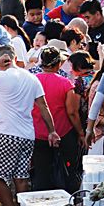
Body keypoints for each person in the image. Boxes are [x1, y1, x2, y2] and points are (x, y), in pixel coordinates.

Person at [0, 46, 59, 206]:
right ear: (15, 57)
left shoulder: (1, 76)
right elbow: (43, 106)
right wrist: (52, 131)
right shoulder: (31, 78)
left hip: (7, 133)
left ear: (0, 59)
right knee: (21, 178)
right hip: (27, 134)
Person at [29, 46, 83, 193]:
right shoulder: (65, 83)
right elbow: (72, 112)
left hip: (37, 133)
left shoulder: (32, 81)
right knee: (68, 170)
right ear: (58, 64)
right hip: (63, 133)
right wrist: (81, 133)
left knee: (41, 172)